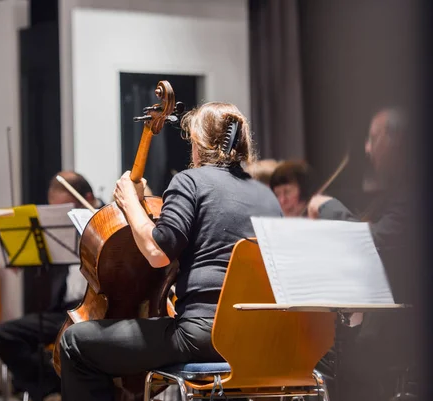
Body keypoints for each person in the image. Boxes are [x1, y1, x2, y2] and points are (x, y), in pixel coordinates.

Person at [58, 102, 282, 401]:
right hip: (262, 337)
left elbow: (156, 251)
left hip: (204, 336)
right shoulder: (265, 195)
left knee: (75, 342)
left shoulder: (190, 181)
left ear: (199, 144)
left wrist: (130, 203)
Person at [308, 108, 416, 401]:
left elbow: (376, 241)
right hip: (388, 322)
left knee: (334, 358)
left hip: (407, 328)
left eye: (373, 138)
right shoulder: (397, 193)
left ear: (396, 141)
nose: (367, 149)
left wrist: (329, 207)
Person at [0, 171, 103, 399]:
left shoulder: (106, 221)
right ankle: (53, 383)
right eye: (57, 212)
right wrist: (26, 257)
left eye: (67, 210)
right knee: (2, 336)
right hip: (62, 311)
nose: (64, 217)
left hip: (95, 310)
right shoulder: (61, 229)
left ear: (88, 198)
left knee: (76, 342)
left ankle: (62, 385)